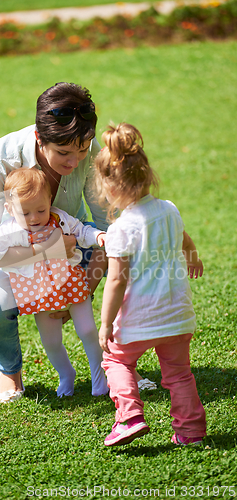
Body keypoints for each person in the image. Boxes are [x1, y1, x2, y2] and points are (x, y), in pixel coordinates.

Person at [95, 123, 206, 447]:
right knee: (179, 374)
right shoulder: (169, 209)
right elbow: (185, 239)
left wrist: (104, 324)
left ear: (110, 188)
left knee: (116, 361)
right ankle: (191, 432)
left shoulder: (121, 229)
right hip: (176, 314)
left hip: (139, 318)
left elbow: (116, 279)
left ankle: (129, 417)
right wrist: (193, 257)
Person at [0, 168, 109, 398]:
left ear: (49, 201)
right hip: (38, 292)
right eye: (25, 213)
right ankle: (65, 374)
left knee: (88, 330)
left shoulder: (59, 218)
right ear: (9, 209)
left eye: (41, 209)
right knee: (51, 341)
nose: (34, 218)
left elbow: (81, 231)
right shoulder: (10, 231)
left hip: (72, 282)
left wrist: (97, 236)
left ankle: (99, 377)